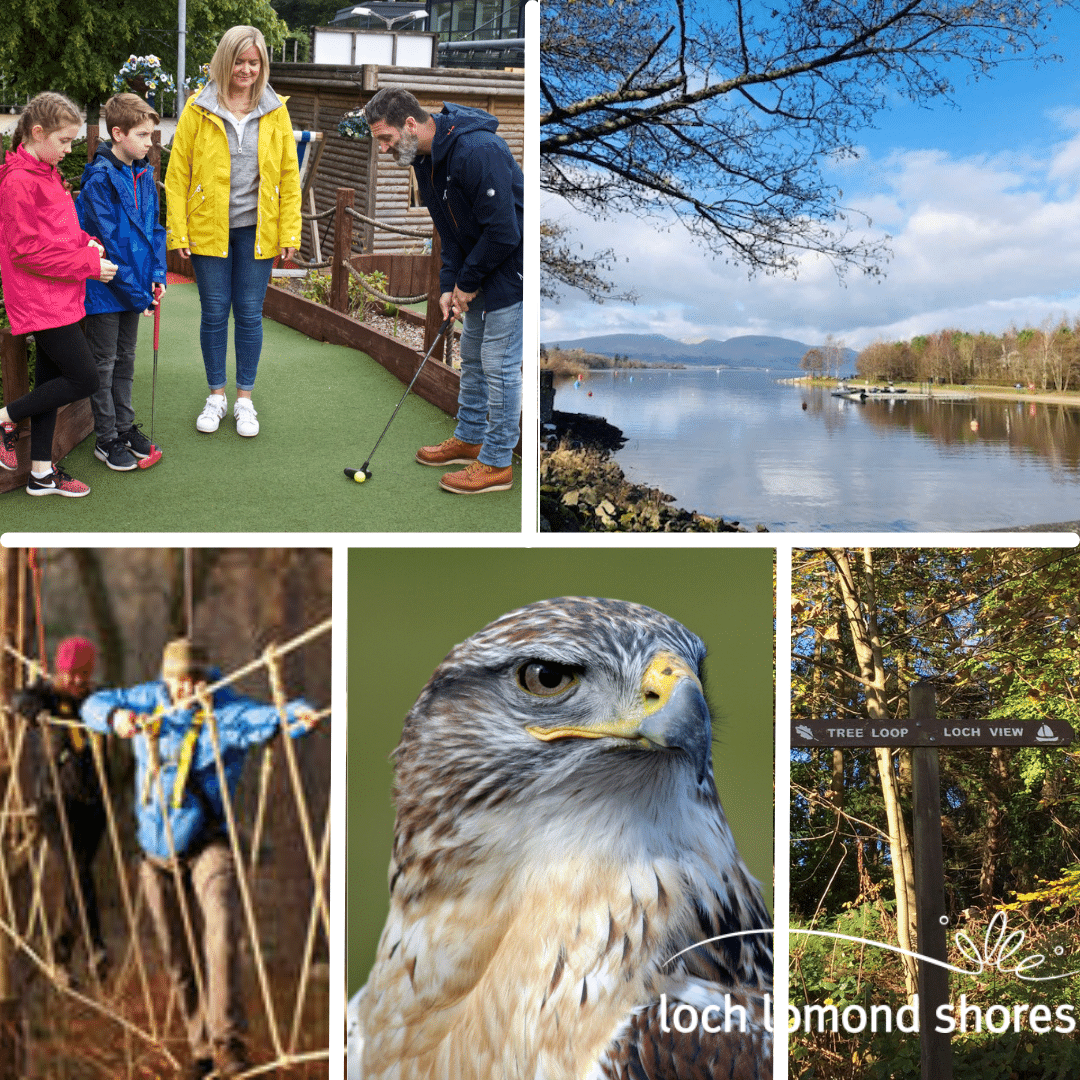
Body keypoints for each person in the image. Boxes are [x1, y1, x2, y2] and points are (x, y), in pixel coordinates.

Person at [81, 638, 322, 1080]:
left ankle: (229, 1045)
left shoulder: (225, 714)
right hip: (155, 858)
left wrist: (299, 715)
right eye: (179, 680)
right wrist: (116, 720)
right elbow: (93, 705)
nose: (188, 688)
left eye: (197, 679)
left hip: (210, 845)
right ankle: (202, 1051)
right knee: (178, 957)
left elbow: (268, 718)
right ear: (165, 677)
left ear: (208, 679)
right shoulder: (145, 701)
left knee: (221, 933)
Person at [363, 88, 523, 495]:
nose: (383, 149)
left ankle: (497, 462)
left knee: (499, 364)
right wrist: (448, 285)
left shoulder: (477, 150)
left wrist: (466, 284)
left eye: (386, 139)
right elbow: (448, 231)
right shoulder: (423, 159)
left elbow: (505, 233)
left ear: (411, 125)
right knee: (471, 354)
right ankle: (469, 438)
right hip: (479, 264)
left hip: (512, 270)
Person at [165, 25, 301, 439]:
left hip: (257, 231)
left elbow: (289, 176)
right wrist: (179, 231)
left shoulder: (275, 110)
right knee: (213, 313)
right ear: (226, 61)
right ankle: (216, 395)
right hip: (209, 229)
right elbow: (177, 175)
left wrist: (290, 232)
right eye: (240, 61)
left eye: (254, 62)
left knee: (248, 315)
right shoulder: (197, 109)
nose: (246, 69)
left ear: (263, 65)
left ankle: (244, 400)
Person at [0, 92, 119, 496]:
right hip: (40, 301)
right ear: (38, 133)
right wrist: (87, 265)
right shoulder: (18, 182)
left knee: (51, 380)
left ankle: (41, 474)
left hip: (61, 294)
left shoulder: (45, 172)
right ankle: (5, 417)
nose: (70, 149)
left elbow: (59, 232)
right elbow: (26, 252)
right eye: (65, 141)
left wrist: (86, 243)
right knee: (84, 378)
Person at [76, 92, 167, 471]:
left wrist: (157, 277)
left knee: (126, 358)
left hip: (134, 286)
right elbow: (110, 244)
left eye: (151, 135)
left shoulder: (142, 172)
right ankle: (107, 438)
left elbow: (155, 230)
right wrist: (138, 292)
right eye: (143, 135)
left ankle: (126, 427)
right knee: (104, 363)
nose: (150, 143)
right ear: (118, 133)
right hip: (105, 288)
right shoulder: (100, 179)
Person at [12, 637, 110, 986]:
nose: (75, 682)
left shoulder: (99, 701)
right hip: (55, 802)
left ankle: (61, 951)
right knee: (77, 869)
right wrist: (36, 713)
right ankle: (96, 947)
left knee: (77, 880)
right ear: (58, 671)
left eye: (82, 675)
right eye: (69, 674)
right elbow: (19, 698)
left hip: (93, 804)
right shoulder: (48, 695)